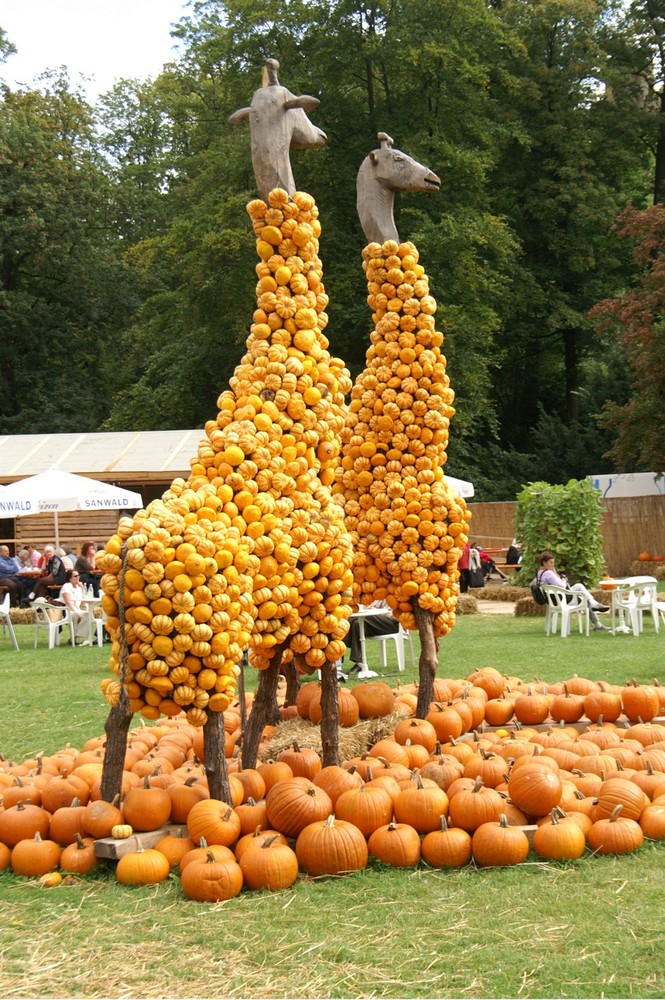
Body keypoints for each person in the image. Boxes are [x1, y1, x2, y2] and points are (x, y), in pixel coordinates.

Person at [536, 551, 610, 631]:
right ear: (544, 562)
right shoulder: (549, 574)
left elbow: (555, 584)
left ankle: (595, 610)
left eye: (553, 563)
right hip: (562, 599)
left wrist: (555, 573)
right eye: (551, 563)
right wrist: (563, 579)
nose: (553, 565)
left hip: (554, 600)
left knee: (584, 596)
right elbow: (563, 586)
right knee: (580, 587)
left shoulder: (540, 573)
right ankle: (595, 606)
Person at [344, 599, 399, 672]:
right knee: (356, 624)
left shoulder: (390, 594)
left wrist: (374, 610)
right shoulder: (373, 595)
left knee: (358, 618)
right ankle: (359, 663)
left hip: (392, 624)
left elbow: (392, 615)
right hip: (374, 624)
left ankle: (345, 640)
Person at [58, 569, 92, 644]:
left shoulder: (78, 588)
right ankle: (75, 637)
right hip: (67, 610)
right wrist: (77, 612)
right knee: (81, 615)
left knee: (88, 614)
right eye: (75, 576)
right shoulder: (66, 586)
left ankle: (74, 637)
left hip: (76, 609)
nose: (77, 577)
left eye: (78, 575)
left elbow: (83, 603)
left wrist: (82, 588)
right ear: (70, 578)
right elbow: (68, 602)